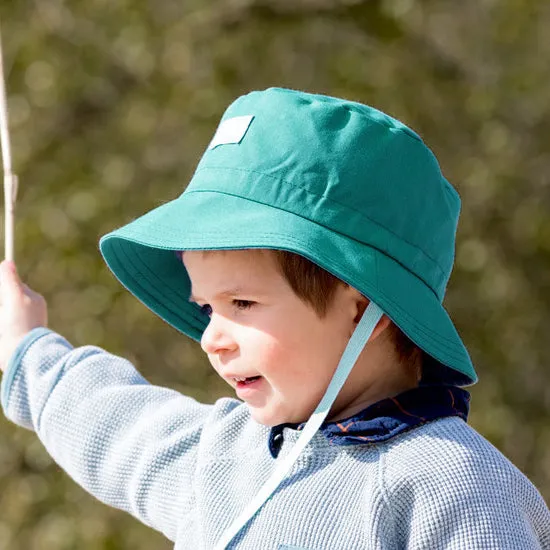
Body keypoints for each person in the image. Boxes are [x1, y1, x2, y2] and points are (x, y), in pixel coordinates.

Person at [0, 87, 548, 550]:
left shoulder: (458, 489)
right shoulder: (224, 458)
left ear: (363, 308)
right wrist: (26, 348)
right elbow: (115, 426)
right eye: (206, 308)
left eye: (241, 305)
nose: (212, 339)